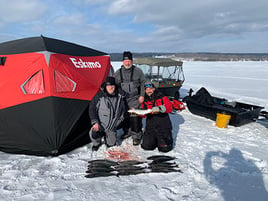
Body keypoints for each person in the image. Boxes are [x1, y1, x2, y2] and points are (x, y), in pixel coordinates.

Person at [114, 51, 145, 145]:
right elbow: (115, 86)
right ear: (123, 61)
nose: (127, 63)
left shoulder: (138, 71)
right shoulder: (118, 73)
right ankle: (127, 132)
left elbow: (143, 83)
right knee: (125, 117)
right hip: (123, 100)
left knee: (135, 118)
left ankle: (137, 136)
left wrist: (142, 95)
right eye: (126, 61)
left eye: (129, 61)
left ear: (132, 61)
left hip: (135, 99)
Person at [88, 76, 126, 151]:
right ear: (106, 86)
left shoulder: (120, 97)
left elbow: (123, 111)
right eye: (108, 86)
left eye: (112, 85)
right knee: (93, 134)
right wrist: (95, 122)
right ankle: (97, 143)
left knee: (111, 144)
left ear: (115, 86)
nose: (110, 87)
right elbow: (92, 109)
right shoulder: (99, 96)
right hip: (100, 125)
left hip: (112, 127)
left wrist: (118, 122)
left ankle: (108, 137)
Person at [140, 81, 173, 152]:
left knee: (165, 149)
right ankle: (154, 140)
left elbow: (170, 108)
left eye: (150, 88)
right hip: (151, 126)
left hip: (163, 125)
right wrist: (139, 112)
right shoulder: (144, 100)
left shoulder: (162, 97)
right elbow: (143, 115)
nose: (149, 91)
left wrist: (160, 108)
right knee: (146, 147)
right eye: (147, 89)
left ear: (154, 89)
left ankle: (161, 141)